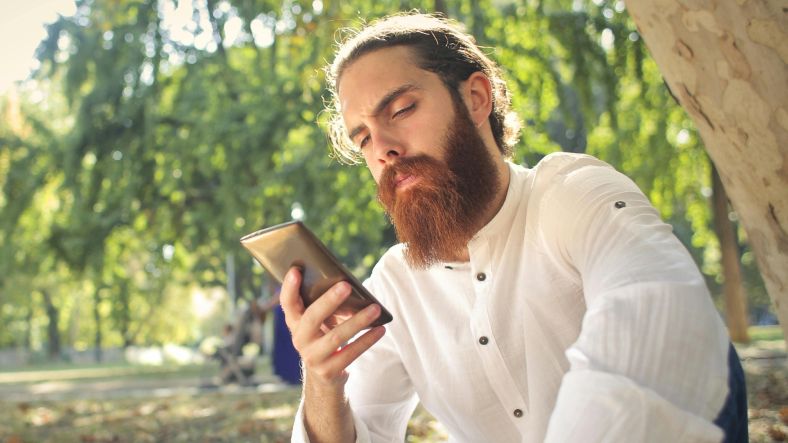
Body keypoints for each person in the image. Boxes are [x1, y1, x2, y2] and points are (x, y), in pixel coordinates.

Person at [279, 13, 747, 442]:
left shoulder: (573, 194)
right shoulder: (396, 286)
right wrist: (324, 381)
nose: (382, 148)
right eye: (362, 138)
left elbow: (655, 316)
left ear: (476, 98)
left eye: (401, 110)